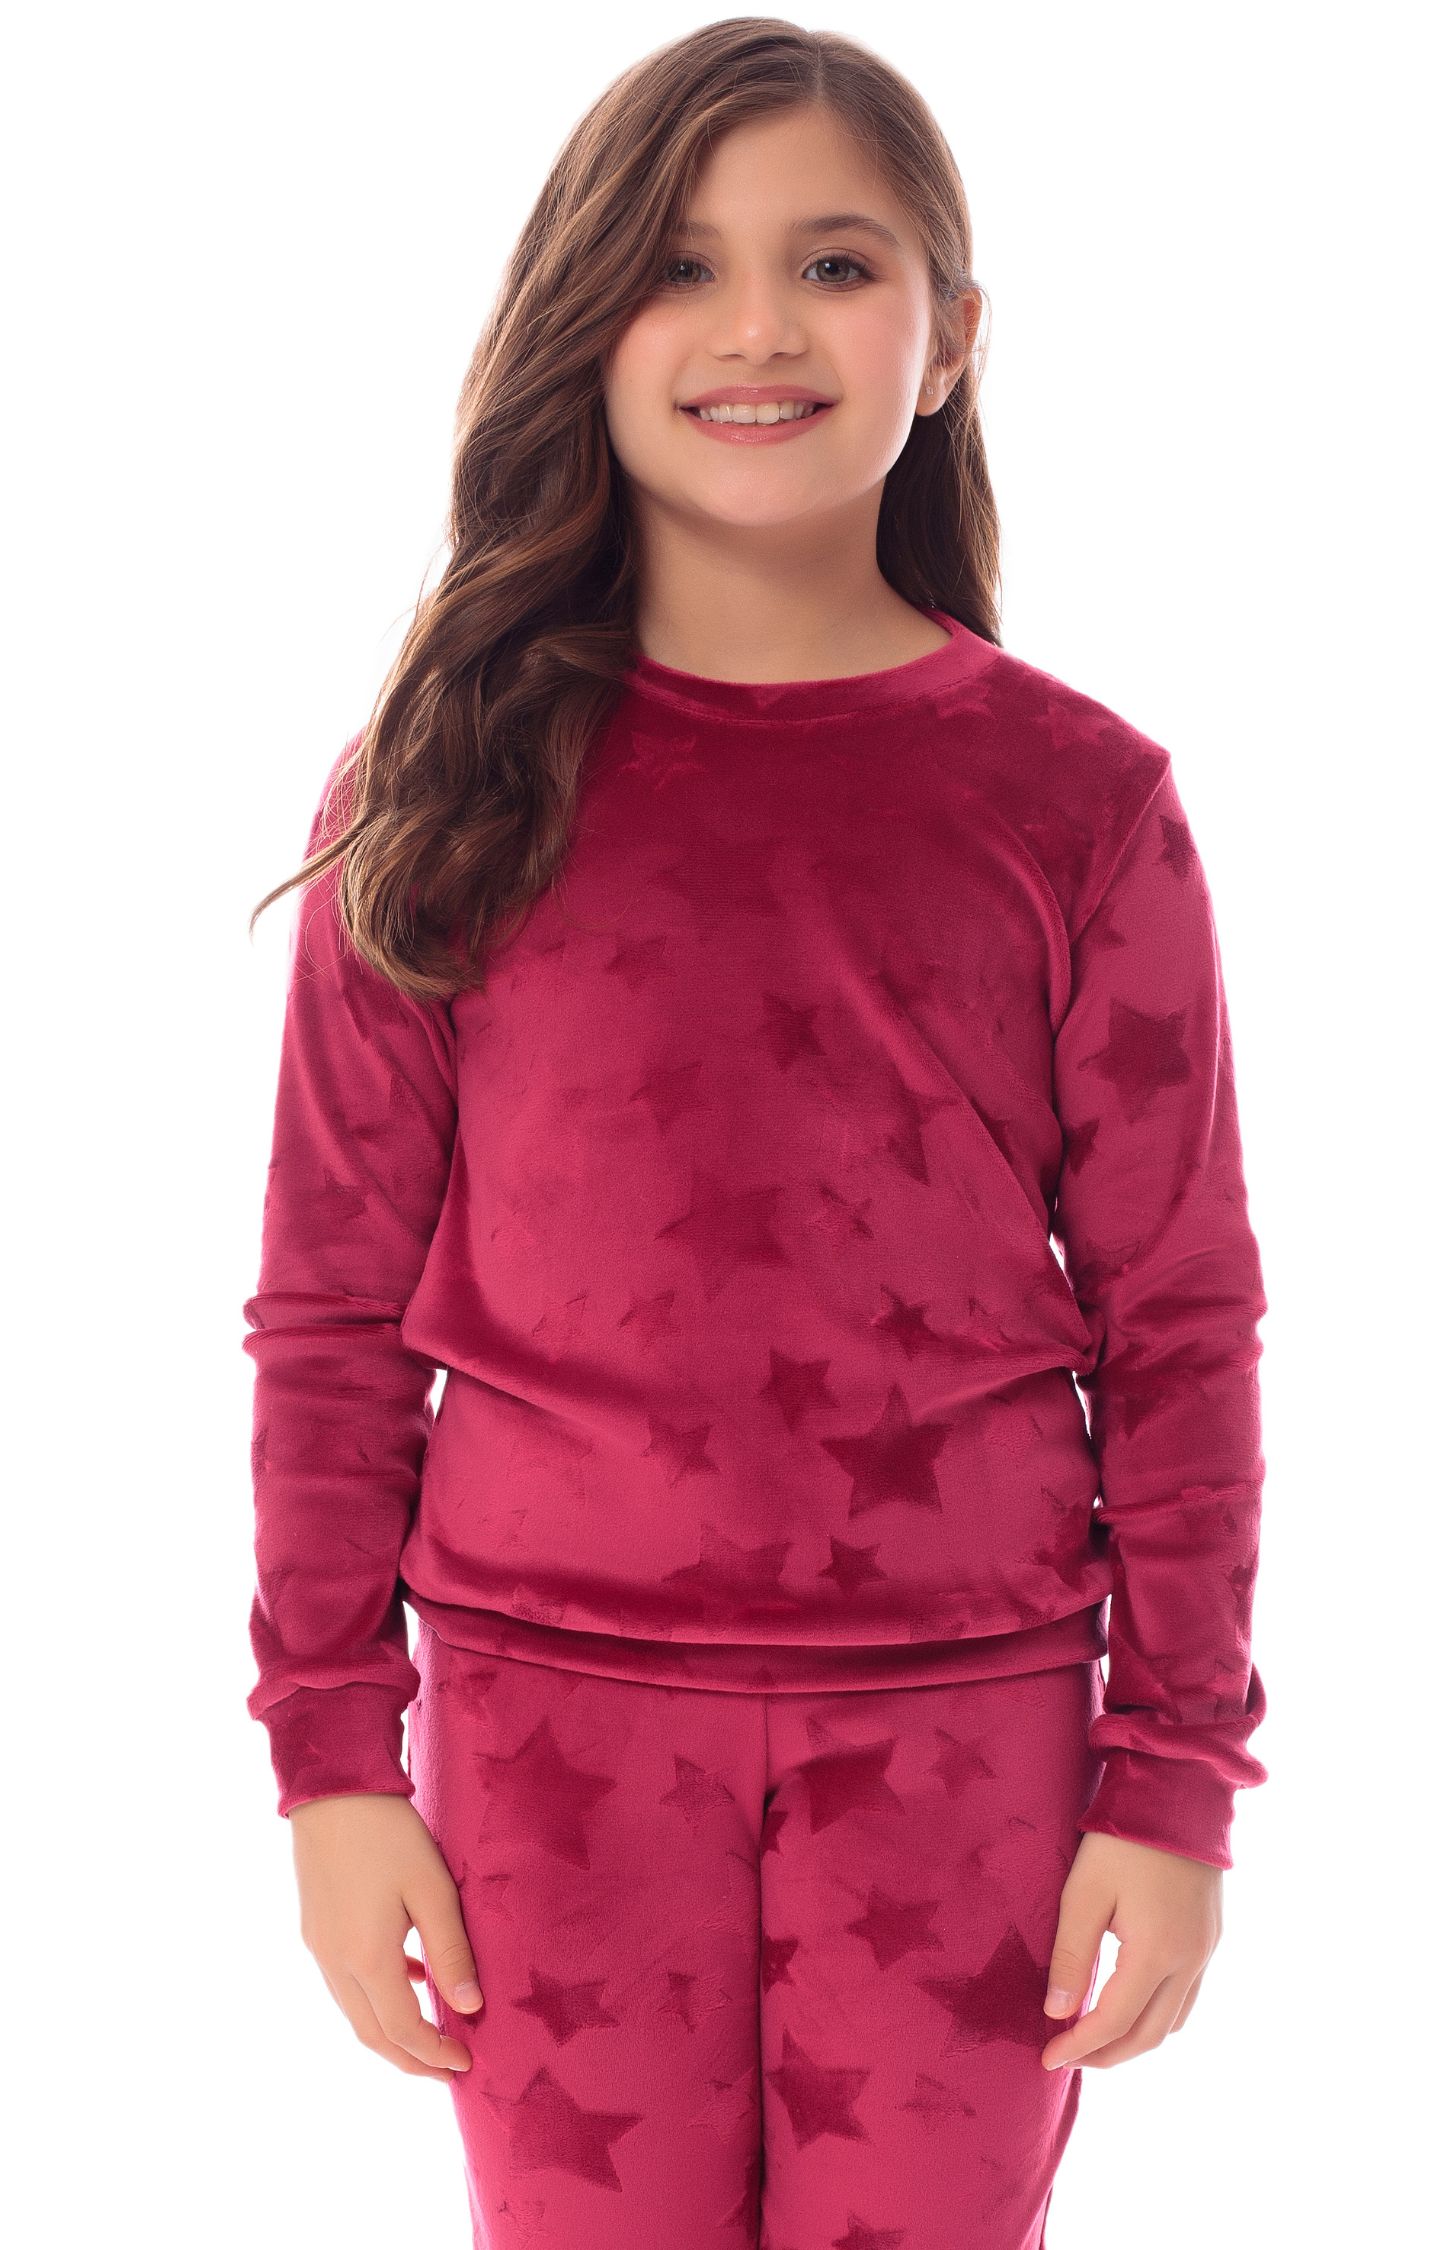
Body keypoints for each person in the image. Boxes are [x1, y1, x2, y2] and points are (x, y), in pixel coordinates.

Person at [241, 21, 1270, 2250]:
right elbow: (327, 1312)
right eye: (679, 267)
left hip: (973, 1735)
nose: (757, 330)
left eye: (834, 264)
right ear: (582, 322)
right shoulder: (439, 791)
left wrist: (1175, 1777)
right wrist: (331, 1757)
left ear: (950, 335)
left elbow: (1181, 1318)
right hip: (543, 1736)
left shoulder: (1085, 804)